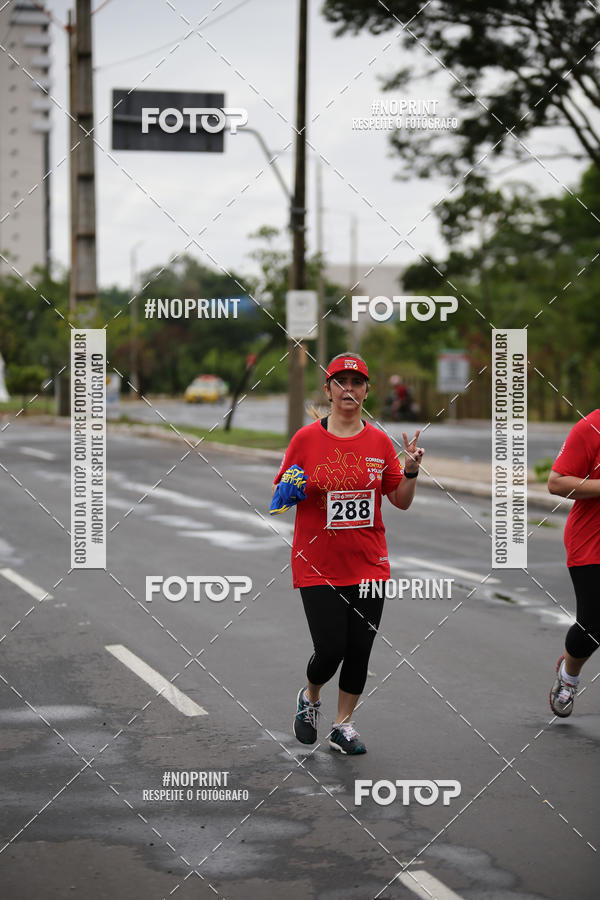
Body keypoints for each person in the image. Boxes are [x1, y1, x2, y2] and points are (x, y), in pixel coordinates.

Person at [270, 353, 424, 754]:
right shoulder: (305, 440)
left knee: (360, 649)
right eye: (341, 382)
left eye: (357, 383)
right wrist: (292, 486)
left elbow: (401, 501)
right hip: (316, 564)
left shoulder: (378, 442)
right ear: (328, 390)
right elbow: (280, 495)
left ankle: (343, 725)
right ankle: (310, 699)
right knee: (331, 648)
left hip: (370, 564)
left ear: (367, 391)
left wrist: (410, 472)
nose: (349, 389)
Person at [547, 410, 600, 716]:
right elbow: (556, 483)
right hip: (591, 543)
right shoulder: (589, 427)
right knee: (593, 625)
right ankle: (569, 676)